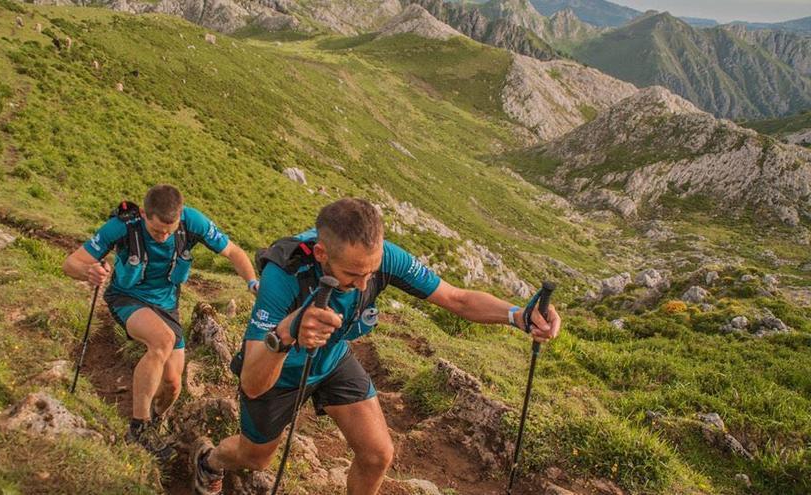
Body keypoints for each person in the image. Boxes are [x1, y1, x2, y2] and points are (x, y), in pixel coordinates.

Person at [191, 198, 562, 495]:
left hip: (333, 358)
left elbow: (458, 299)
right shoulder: (284, 274)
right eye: (353, 274)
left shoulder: (381, 258)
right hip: (281, 371)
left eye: (371, 271)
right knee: (255, 459)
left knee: (378, 455)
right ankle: (209, 461)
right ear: (321, 255)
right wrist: (288, 331)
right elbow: (254, 383)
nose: (365, 281)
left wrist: (516, 315)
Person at [63, 184, 258, 461]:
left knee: (173, 384)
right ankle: (138, 429)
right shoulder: (121, 227)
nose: (164, 236)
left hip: (167, 305)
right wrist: (89, 271)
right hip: (127, 297)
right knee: (161, 341)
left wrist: (252, 282)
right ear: (144, 214)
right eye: (156, 231)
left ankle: (156, 419)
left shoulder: (193, 222)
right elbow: (71, 263)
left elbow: (234, 253)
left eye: (170, 230)